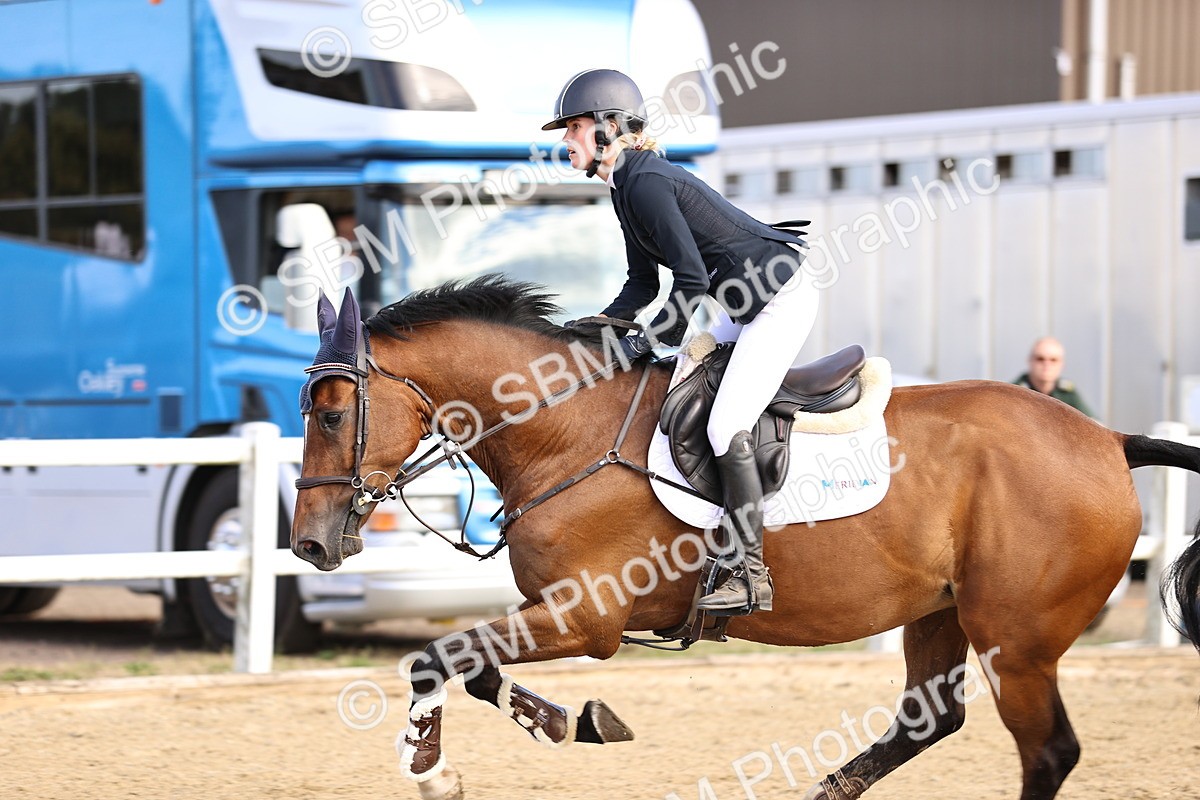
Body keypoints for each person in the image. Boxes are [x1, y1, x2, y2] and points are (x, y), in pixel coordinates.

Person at [543, 69, 820, 615]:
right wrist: (604, 325)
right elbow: (643, 282)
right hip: (743, 305)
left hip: (778, 300)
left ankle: (749, 570)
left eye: (573, 127)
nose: (565, 140)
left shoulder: (645, 182)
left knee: (724, 424)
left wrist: (656, 337)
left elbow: (690, 278)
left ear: (607, 128)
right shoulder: (627, 186)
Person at [1013, 336, 1095, 418]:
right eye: (1040, 359)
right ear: (1030, 360)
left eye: (1053, 360)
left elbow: (1093, 422)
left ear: (1062, 364)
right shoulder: (1015, 392)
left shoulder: (1066, 391)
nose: (1047, 364)